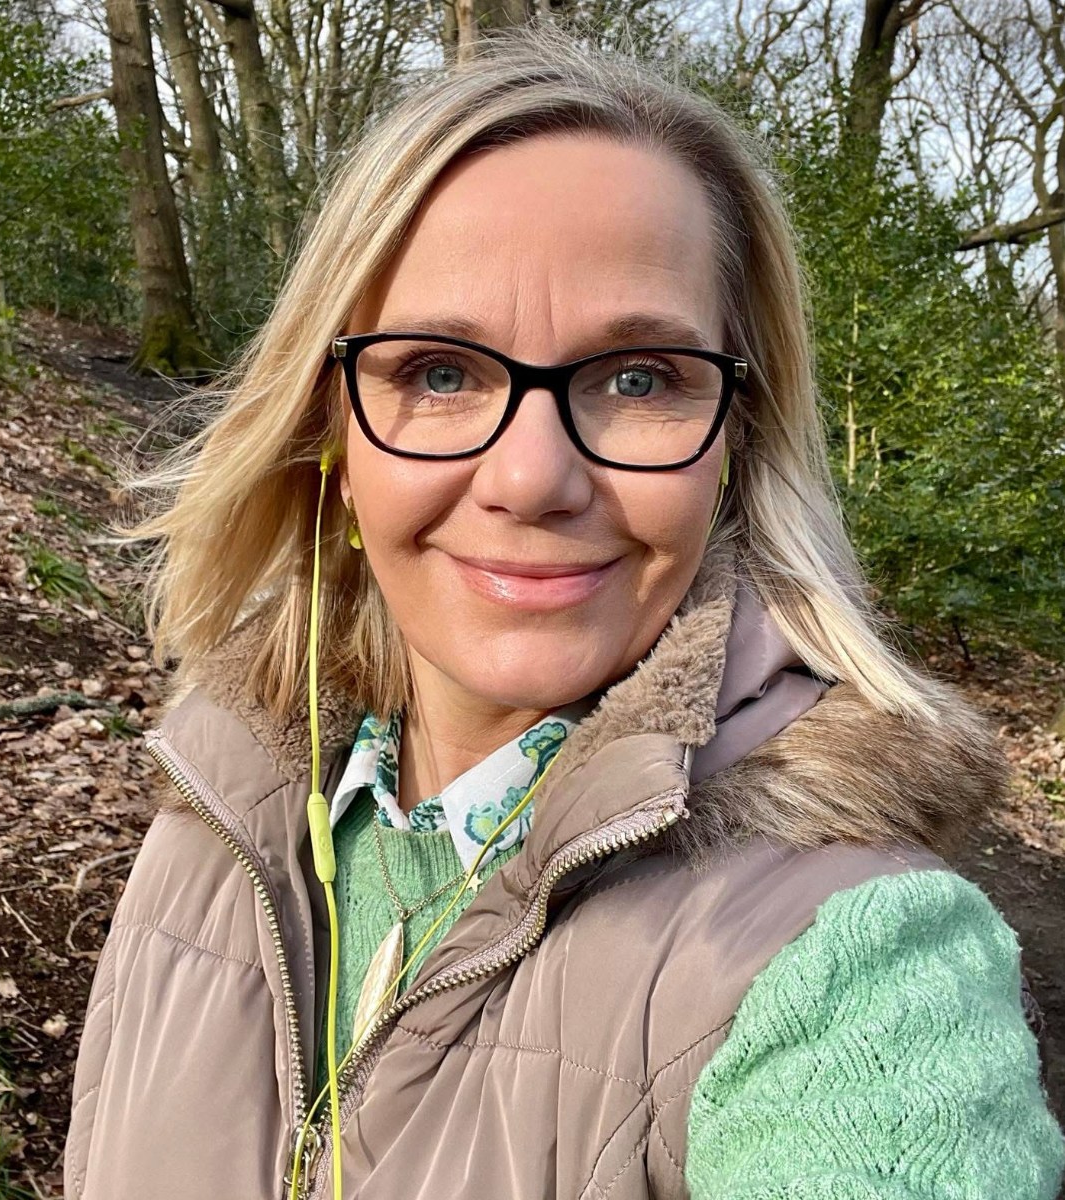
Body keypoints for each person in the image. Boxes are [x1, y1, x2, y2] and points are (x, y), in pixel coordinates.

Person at [63, 27, 1064, 1200]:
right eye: (439, 372)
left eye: (639, 380)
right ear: (329, 433)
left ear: (737, 444)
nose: (534, 480)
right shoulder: (218, 811)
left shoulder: (855, 968)